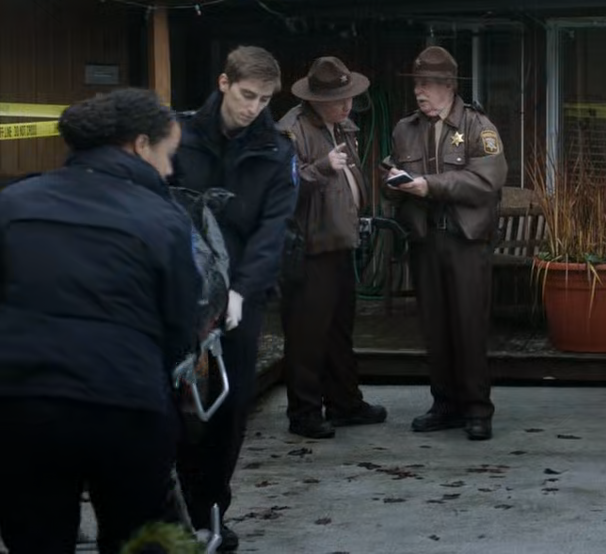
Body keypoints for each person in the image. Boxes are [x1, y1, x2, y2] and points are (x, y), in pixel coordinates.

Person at [0, 88, 199, 554]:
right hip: (125, 404)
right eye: (168, 155)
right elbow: (179, 326)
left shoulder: (12, 204)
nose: (170, 171)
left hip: (23, 405)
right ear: (140, 146)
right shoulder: (164, 218)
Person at [171, 45, 298, 551]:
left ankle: (212, 511)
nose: (253, 108)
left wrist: (242, 292)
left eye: (264, 99)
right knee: (175, 404)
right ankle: (175, 508)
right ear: (224, 83)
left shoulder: (277, 151)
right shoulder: (176, 135)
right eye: (247, 95)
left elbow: (272, 231)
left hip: (242, 295)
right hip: (179, 290)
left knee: (230, 405)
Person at [385, 46, 507, 442]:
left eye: (427, 84)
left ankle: (477, 408)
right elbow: (391, 174)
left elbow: (486, 180)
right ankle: (445, 404)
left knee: (468, 325)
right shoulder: (405, 128)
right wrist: (393, 183)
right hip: (425, 240)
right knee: (434, 326)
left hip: (465, 241)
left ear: (450, 86)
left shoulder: (477, 126)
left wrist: (429, 185)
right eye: (417, 83)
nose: (419, 91)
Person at [278, 57, 387, 440]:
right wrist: (322, 167)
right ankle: (304, 412)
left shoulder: (341, 125)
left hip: (339, 241)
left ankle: (345, 403)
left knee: (340, 329)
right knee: (307, 334)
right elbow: (282, 187)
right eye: (339, 100)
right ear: (316, 100)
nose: (347, 105)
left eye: (350, 97)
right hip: (309, 246)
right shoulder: (290, 130)